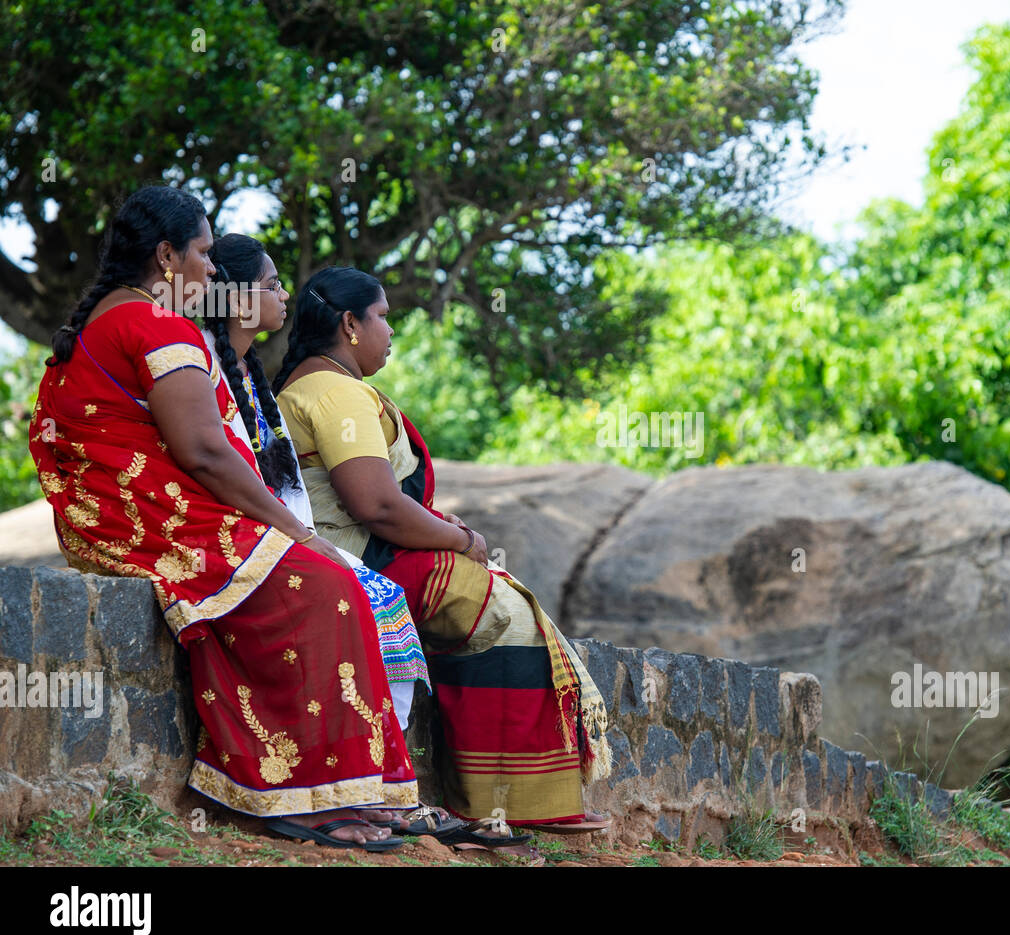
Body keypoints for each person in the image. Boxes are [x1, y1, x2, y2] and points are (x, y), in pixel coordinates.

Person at [29, 186, 415, 851]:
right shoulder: (151, 324)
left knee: (337, 584)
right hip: (143, 517)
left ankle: (344, 789)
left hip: (126, 511)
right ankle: (295, 793)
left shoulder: (129, 319)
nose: (212, 269)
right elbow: (205, 452)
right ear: (166, 255)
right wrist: (294, 531)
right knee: (324, 587)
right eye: (204, 253)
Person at [273, 266, 613, 836]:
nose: (389, 330)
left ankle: (491, 797)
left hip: (356, 549)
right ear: (349, 324)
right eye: (381, 317)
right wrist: (462, 541)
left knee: (497, 596)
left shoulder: (315, 385)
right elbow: (376, 505)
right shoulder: (335, 392)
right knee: (503, 612)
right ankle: (512, 803)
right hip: (350, 558)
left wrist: (439, 527)